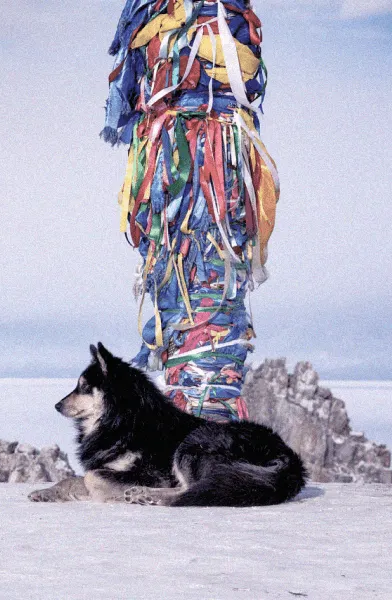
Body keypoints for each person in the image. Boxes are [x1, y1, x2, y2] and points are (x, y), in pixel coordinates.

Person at [101, 0, 279, 422]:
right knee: (187, 261)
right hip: (192, 151)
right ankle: (203, 405)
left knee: (198, 257)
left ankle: (203, 406)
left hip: (207, 150)